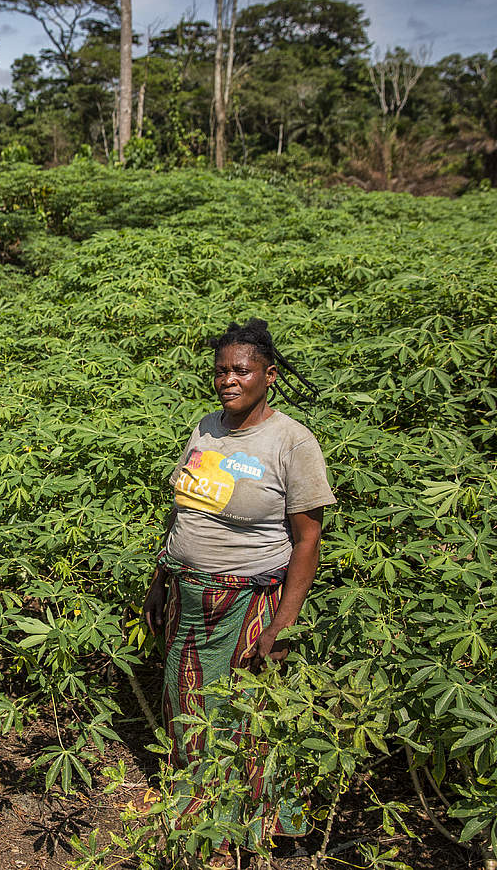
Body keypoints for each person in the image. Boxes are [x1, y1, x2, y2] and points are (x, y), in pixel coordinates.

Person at [141, 318, 335, 865]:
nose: (229, 379)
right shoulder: (206, 428)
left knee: (246, 714)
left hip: (250, 599)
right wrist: (161, 577)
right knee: (189, 710)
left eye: (242, 370)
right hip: (188, 594)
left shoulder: (291, 440)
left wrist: (283, 623)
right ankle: (202, 822)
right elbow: (184, 509)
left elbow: (308, 540)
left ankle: (262, 830)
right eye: (222, 370)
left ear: (269, 376)